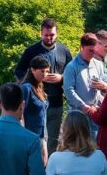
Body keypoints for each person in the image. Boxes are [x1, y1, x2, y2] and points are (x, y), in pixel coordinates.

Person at [15, 18, 73, 154]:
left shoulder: (64, 51)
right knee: (35, 138)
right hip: (35, 104)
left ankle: (50, 170)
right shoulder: (31, 51)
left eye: (52, 35)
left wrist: (62, 77)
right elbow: (18, 72)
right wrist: (36, 78)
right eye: (46, 35)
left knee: (53, 140)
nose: (49, 38)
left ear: (57, 34)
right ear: (40, 33)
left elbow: (72, 74)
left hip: (56, 102)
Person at [21, 55, 50, 175]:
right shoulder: (26, 88)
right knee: (34, 172)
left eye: (47, 71)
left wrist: (44, 140)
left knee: (41, 171)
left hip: (40, 136)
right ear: (32, 70)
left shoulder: (40, 87)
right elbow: (21, 114)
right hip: (30, 137)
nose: (45, 74)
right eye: (42, 71)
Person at [63, 34, 107, 130]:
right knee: (79, 144)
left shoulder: (98, 65)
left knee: (95, 143)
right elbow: (68, 90)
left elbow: (103, 88)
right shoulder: (71, 67)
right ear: (81, 47)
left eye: (94, 51)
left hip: (95, 112)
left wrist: (103, 87)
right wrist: (82, 105)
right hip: (78, 115)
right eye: (90, 51)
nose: (93, 54)